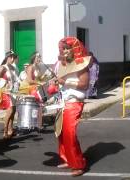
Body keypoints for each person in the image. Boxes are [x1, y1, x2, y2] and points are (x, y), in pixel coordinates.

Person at [53, 37, 89, 177]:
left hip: (74, 102)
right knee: (61, 133)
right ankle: (68, 159)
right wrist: (56, 84)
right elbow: (61, 82)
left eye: (68, 48)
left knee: (70, 134)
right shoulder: (62, 64)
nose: (65, 51)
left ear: (75, 49)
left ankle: (78, 164)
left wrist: (66, 82)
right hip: (63, 102)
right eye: (64, 48)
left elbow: (84, 84)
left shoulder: (81, 63)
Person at [0, 50, 19, 139]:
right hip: (7, 92)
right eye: (11, 57)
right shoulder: (3, 67)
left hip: (14, 91)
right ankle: (5, 131)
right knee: (10, 111)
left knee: (14, 111)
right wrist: (5, 83)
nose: (13, 59)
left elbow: (15, 80)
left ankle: (10, 130)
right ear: (8, 58)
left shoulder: (13, 67)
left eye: (13, 57)